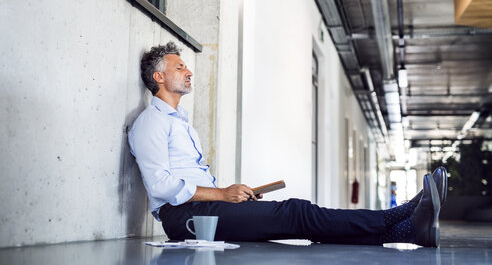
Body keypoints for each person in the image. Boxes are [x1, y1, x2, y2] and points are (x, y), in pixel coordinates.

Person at [128, 42, 447, 247]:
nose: (189, 71)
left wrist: (231, 195)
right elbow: (161, 184)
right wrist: (223, 194)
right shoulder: (150, 123)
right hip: (183, 218)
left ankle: (408, 232)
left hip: (204, 209)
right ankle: (399, 215)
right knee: (298, 213)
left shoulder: (179, 121)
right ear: (158, 77)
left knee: (303, 219)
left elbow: (190, 182)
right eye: (179, 67)